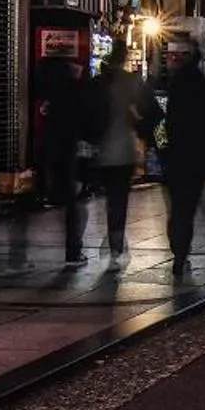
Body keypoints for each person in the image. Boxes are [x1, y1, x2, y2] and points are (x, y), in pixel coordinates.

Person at [157, 38, 205, 280]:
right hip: (197, 162)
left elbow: (165, 124)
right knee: (186, 210)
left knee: (177, 210)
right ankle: (180, 254)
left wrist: (162, 151)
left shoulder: (174, 87)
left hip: (175, 160)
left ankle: (178, 251)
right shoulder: (204, 87)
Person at [85, 45, 159, 260]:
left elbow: (84, 116)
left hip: (99, 151)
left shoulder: (96, 83)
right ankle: (115, 242)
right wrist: (141, 128)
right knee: (119, 198)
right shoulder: (132, 82)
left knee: (107, 198)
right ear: (125, 58)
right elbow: (153, 113)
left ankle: (112, 238)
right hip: (124, 150)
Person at [31, 48, 89, 263]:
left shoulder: (45, 85)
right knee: (74, 204)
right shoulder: (73, 85)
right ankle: (73, 250)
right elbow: (82, 117)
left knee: (58, 197)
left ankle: (18, 253)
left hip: (48, 145)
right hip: (68, 147)